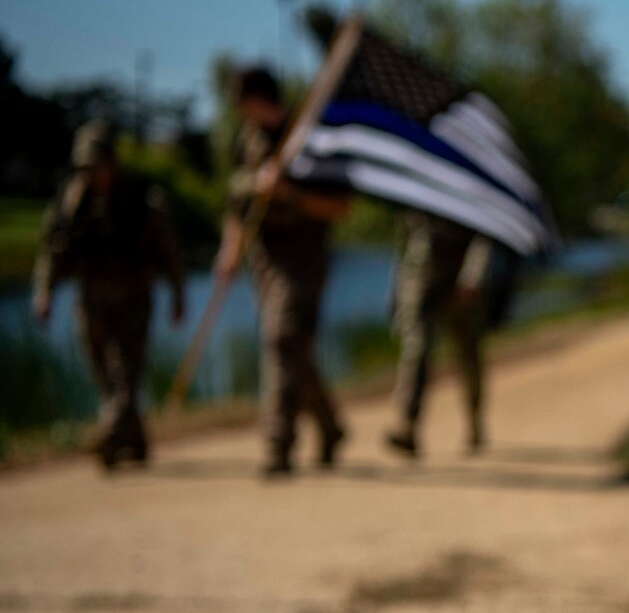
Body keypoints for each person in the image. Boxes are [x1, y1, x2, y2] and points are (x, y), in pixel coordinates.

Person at [216, 65, 351, 477]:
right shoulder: (248, 142)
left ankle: (279, 443)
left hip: (304, 258)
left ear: (258, 98)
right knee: (292, 348)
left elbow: (340, 207)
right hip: (266, 260)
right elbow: (237, 206)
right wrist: (230, 249)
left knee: (282, 337)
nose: (237, 110)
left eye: (241, 101)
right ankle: (328, 425)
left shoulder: (307, 137)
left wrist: (289, 193)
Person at [31, 121, 183, 468]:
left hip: (134, 298)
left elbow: (170, 252)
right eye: (86, 166)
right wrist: (45, 293)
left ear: (113, 162)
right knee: (105, 377)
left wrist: (177, 294)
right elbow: (51, 251)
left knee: (127, 374)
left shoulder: (142, 200)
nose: (92, 172)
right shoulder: (72, 203)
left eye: (97, 164)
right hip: (92, 300)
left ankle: (110, 438)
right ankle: (135, 440)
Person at [384, 211, 492, 458]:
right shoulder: (418, 190)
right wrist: (396, 292)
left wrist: (473, 275)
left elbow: (483, 236)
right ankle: (408, 425)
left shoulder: (465, 188)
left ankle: (474, 419)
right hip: (421, 281)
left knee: (468, 354)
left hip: (461, 284)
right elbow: (403, 245)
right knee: (416, 350)